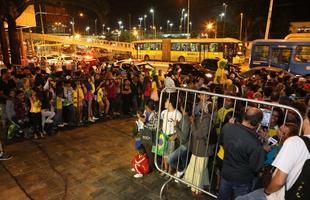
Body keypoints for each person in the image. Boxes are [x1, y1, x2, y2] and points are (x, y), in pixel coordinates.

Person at [218, 107, 266, 200]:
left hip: (226, 174)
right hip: (242, 181)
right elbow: (256, 167)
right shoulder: (255, 143)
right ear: (257, 124)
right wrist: (263, 150)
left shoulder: (228, 127)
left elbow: (222, 142)